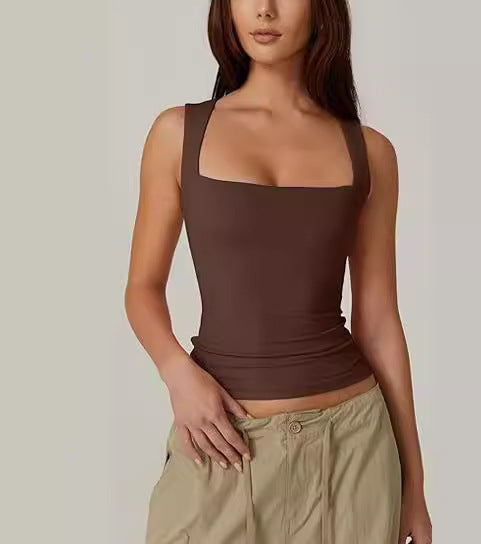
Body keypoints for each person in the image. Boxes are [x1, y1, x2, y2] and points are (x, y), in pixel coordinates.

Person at [124, 1, 432, 543]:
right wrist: (177, 373)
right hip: (220, 442)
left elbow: (380, 321)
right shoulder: (178, 133)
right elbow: (142, 289)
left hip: (352, 449)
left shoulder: (371, 154)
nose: (264, 10)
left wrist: (415, 486)